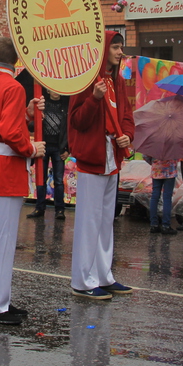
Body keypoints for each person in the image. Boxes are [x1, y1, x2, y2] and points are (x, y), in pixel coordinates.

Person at [0, 37, 44, 325]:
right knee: (2, 241)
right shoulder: (13, 86)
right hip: (7, 167)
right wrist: (31, 148)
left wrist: (25, 113)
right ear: (16, 61)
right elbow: (12, 133)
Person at [67, 31, 135, 300]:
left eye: (121, 48)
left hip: (112, 159)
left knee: (107, 221)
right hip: (92, 158)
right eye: (116, 47)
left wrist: (128, 135)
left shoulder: (118, 81)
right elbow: (77, 121)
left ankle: (104, 275)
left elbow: (127, 115)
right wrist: (94, 98)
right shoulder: (86, 81)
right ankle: (82, 280)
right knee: (89, 222)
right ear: (104, 49)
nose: (120, 52)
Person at [27, 89, 68, 220]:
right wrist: (37, 118)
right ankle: (39, 208)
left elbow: (70, 129)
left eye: (58, 89)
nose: (56, 92)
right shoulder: (42, 105)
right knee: (41, 179)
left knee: (59, 181)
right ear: (48, 91)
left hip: (59, 148)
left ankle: (60, 210)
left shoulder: (65, 106)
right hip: (43, 146)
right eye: (52, 89)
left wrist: (68, 149)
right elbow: (31, 127)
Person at [147, 158, 179, 234]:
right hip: (170, 171)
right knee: (167, 198)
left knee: (154, 197)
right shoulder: (174, 145)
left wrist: (154, 162)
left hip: (156, 170)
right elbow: (178, 156)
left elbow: (146, 156)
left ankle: (154, 224)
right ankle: (166, 226)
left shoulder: (153, 145)